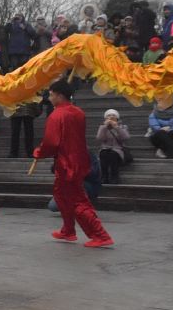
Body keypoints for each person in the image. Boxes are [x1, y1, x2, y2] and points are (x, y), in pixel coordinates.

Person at [31, 79, 111, 247]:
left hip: (66, 162)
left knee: (77, 200)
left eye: (51, 94)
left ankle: (100, 235)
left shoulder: (57, 115)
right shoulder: (78, 112)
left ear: (59, 95)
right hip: (79, 159)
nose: (49, 97)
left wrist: (39, 152)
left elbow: (52, 142)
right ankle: (68, 230)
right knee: (61, 195)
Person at [96, 108, 130, 183]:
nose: (111, 117)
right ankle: (104, 176)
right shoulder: (102, 127)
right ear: (105, 118)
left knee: (113, 154)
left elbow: (126, 137)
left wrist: (116, 127)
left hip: (118, 149)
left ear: (117, 117)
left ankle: (115, 176)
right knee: (103, 153)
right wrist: (104, 127)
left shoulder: (122, 127)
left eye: (113, 115)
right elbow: (100, 138)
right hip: (105, 148)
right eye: (109, 115)